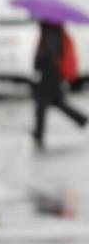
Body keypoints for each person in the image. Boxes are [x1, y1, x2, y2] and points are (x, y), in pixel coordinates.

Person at [32, 21, 87, 149]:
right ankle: (82, 120)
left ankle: (39, 133)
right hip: (51, 73)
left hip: (50, 73)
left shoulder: (51, 30)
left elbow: (50, 53)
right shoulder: (51, 29)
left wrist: (39, 62)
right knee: (55, 103)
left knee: (42, 104)